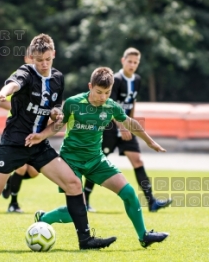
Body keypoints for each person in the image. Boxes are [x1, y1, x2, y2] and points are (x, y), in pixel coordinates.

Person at [0, 33, 116, 250]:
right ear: (31, 57)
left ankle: (85, 240)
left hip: (39, 145)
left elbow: (55, 107)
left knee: (74, 184)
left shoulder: (58, 78)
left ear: (53, 54)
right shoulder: (26, 72)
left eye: (47, 59)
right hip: (13, 143)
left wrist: (56, 113)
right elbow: (14, 84)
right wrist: (3, 93)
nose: (44, 64)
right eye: (39, 60)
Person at [26, 67, 169, 249]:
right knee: (78, 211)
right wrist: (40, 136)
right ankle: (44, 218)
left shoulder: (111, 106)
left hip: (96, 160)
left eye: (107, 93)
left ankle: (144, 236)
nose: (103, 97)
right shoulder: (73, 103)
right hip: (71, 161)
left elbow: (130, 123)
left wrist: (150, 142)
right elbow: (57, 126)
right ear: (90, 86)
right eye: (99, 92)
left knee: (129, 193)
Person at [83, 48, 172, 213]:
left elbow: (132, 103)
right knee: (96, 163)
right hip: (110, 127)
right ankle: (84, 200)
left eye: (135, 62)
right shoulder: (115, 80)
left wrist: (130, 123)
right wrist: (122, 126)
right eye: (129, 61)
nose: (132, 65)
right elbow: (111, 107)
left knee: (138, 161)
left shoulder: (137, 79)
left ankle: (151, 201)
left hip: (125, 127)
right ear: (122, 61)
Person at [0, 49, 39, 213]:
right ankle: (13, 204)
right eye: (32, 57)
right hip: (17, 129)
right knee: (21, 168)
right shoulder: (18, 75)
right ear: (26, 58)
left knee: (34, 172)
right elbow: (2, 103)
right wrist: (22, 108)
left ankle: (10, 181)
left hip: (35, 130)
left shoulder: (44, 79)